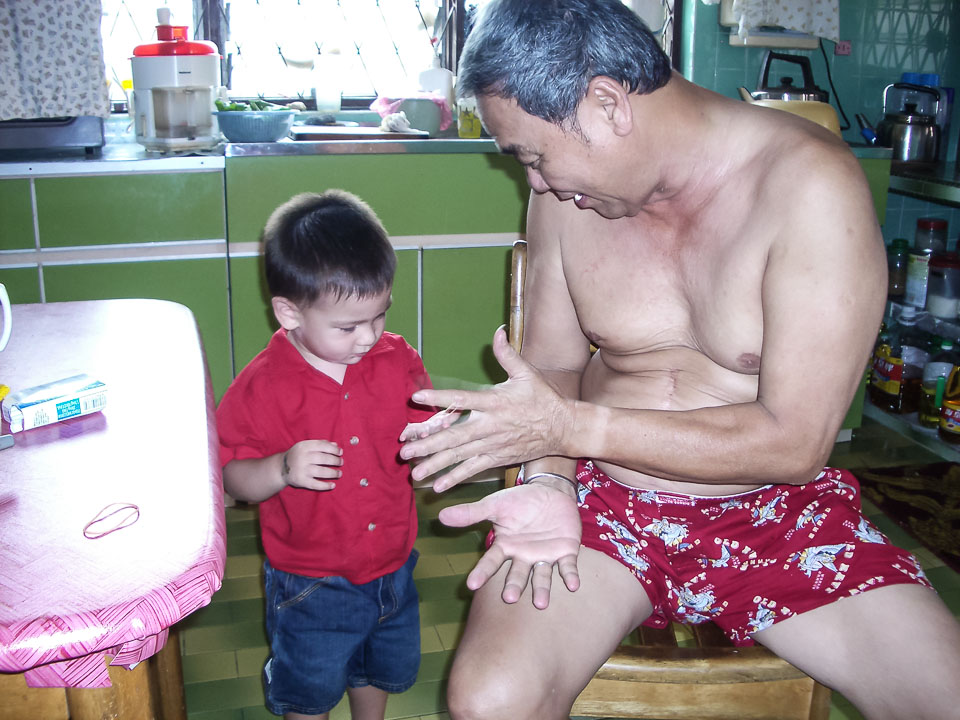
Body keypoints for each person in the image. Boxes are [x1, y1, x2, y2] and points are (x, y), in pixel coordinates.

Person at [398, 2, 960, 719]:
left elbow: (795, 443)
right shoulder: (567, 200)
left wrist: (568, 429)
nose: (534, 183)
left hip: (775, 511)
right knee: (493, 700)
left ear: (607, 105)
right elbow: (553, 368)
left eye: (534, 156)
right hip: (603, 504)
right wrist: (549, 480)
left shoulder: (811, 187)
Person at [217, 190, 452, 720]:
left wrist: (434, 439)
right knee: (310, 690)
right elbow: (231, 476)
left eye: (379, 316)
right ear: (289, 312)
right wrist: (280, 468)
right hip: (311, 583)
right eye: (347, 327)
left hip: (393, 566)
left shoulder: (397, 359)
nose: (368, 337)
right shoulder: (262, 387)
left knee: (378, 670)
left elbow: (418, 437)